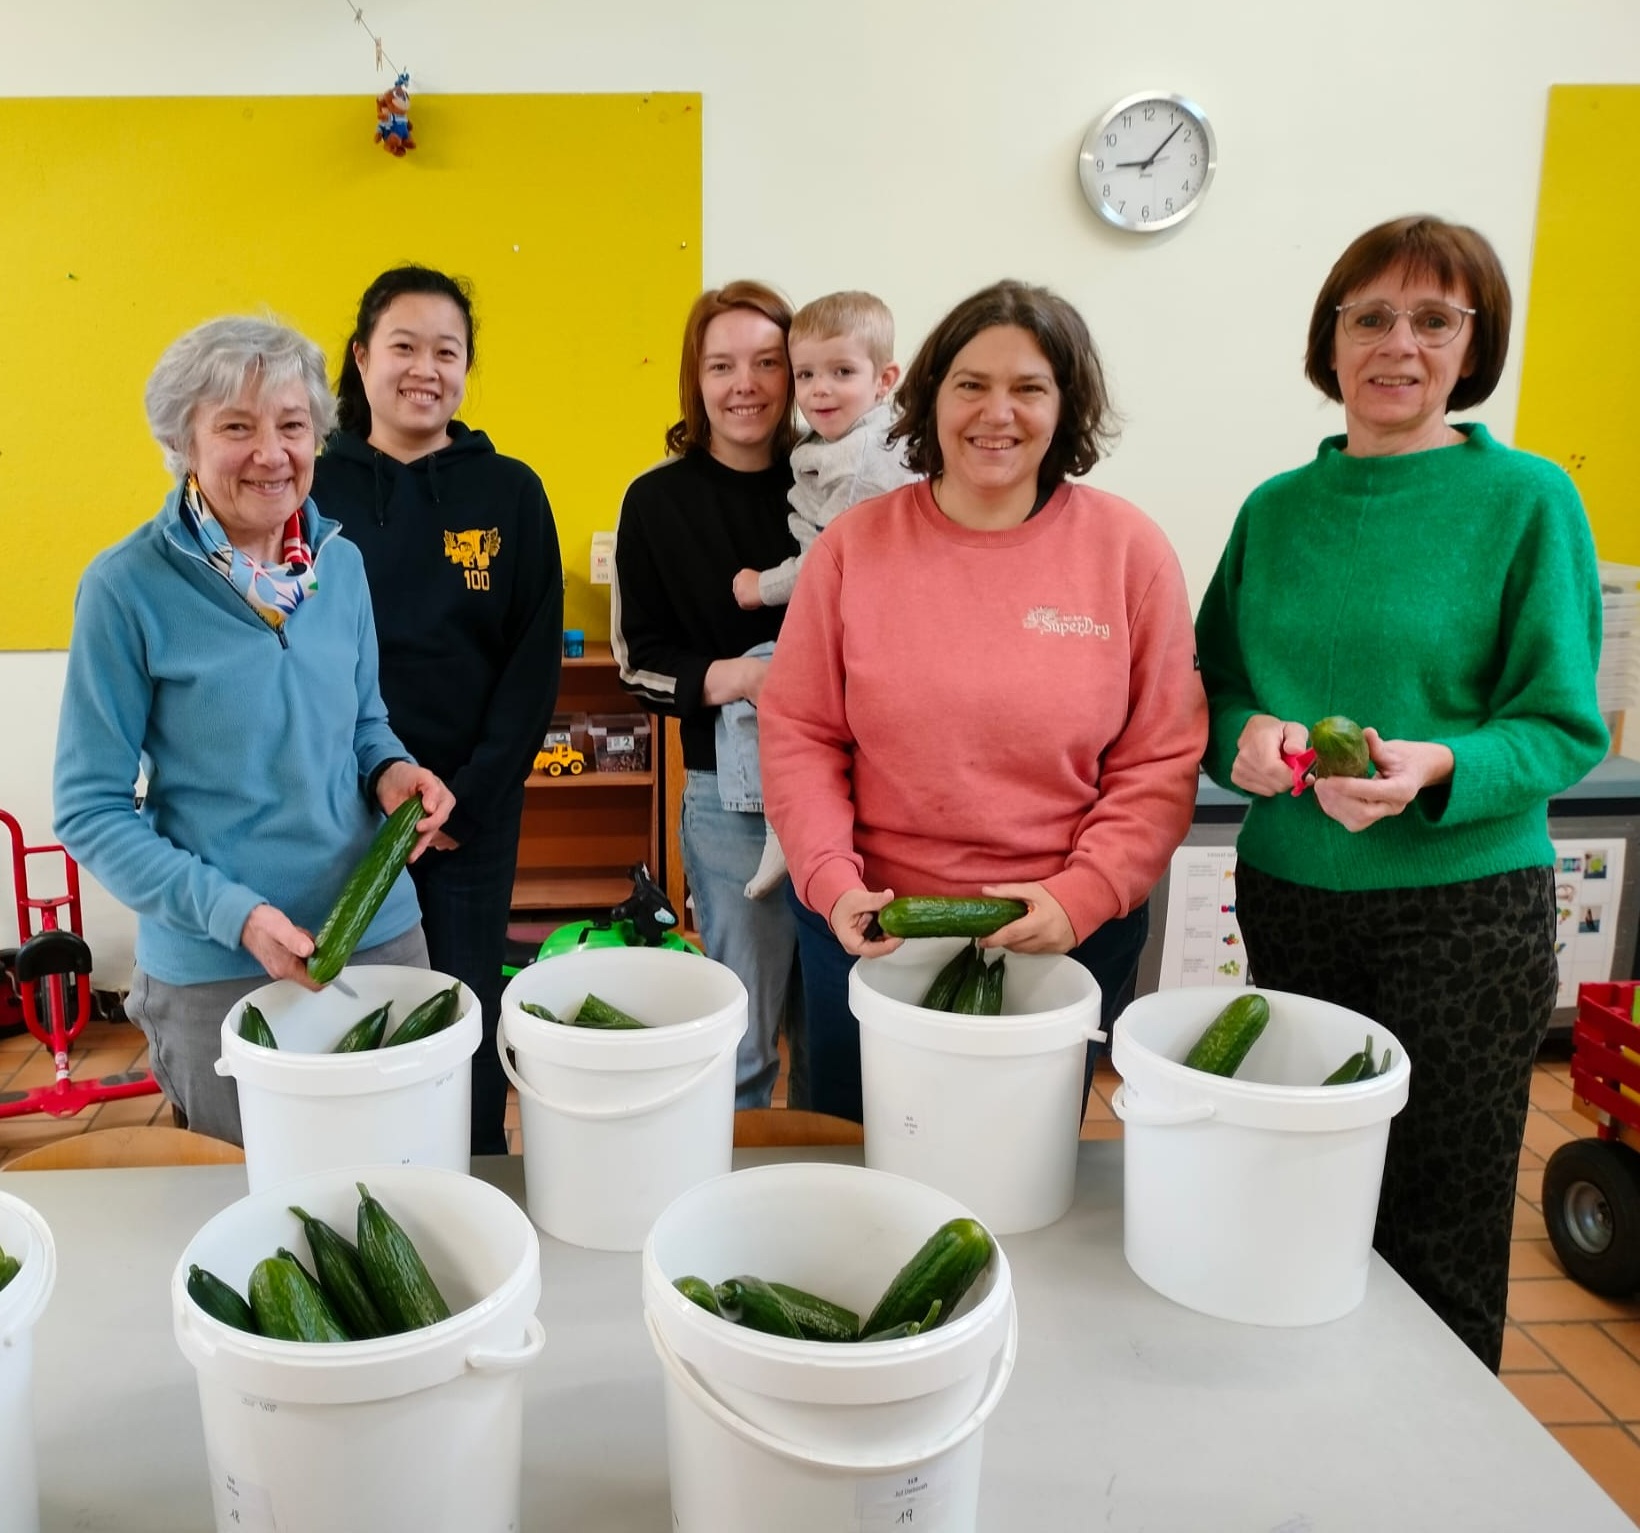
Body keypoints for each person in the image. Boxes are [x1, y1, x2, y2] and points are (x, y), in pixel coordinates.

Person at [1193, 215, 1607, 1372]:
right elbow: (1211, 688)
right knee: (1300, 1187)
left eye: (1433, 319)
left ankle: (1436, 1446)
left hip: (1461, 912)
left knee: (1438, 1212)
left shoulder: (1525, 500)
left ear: (1473, 347)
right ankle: (1307, 1418)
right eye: (1369, 317)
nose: (1398, 344)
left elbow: (1560, 726)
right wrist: (1246, 740)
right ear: (1328, 341)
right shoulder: (1273, 509)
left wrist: (1439, 767)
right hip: (1290, 894)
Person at [759, 279, 1207, 1123]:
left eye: (1029, 387)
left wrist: (1083, 894)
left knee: (1018, 1162)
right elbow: (801, 735)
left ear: (1065, 405)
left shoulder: (1129, 552)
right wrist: (830, 879)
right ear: (930, 396)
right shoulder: (853, 548)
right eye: (971, 384)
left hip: (1065, 935)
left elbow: (1160, 759)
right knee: (863, 1157)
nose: (996, 412)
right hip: (872, 929)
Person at [53, 316, 454, 1144]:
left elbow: (365, 723)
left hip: (376, 933)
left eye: (292, 425)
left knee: (403, 1169)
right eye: (237, 427)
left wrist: (393, 772)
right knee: (253, 1197)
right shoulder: (126, 588)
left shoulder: (340, 564)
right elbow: (89, 808)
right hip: (216, 967)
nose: (271, 454)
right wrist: (234, 913)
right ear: (183, 441)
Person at [312, 266, 564, 1157]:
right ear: (361, 357)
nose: (426, 368)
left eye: (447, 351)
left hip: (468, 815)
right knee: (347, 1005)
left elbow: (531, 666)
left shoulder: (510, 491)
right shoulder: (310, 486)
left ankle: (475, 1177)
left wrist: (470, 801)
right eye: (404, 346)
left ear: (466, 368)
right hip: (336, 810)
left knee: (464, 1004)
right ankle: (359, 1174)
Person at [611, 281, 803, 1109]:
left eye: (767, 362)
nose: (745, 385)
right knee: (746, 1042)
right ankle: (734, 1183)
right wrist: (749, 678)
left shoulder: (833, 486)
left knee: (840, 1035)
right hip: (729, 802)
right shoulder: (656, 501)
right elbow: (638, 663)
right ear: (696, 377)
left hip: (857, 793)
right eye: (722, 365)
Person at [730, 290, 918, 900]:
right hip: (853, 608)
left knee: (771, 697)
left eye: (841, 373)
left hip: (854, 613)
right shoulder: (842, 441)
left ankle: (782, 833)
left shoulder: (862, 463)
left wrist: (762, 587)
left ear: (884, 380)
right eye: (806, 374)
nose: (820, 391)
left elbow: (831, 558)